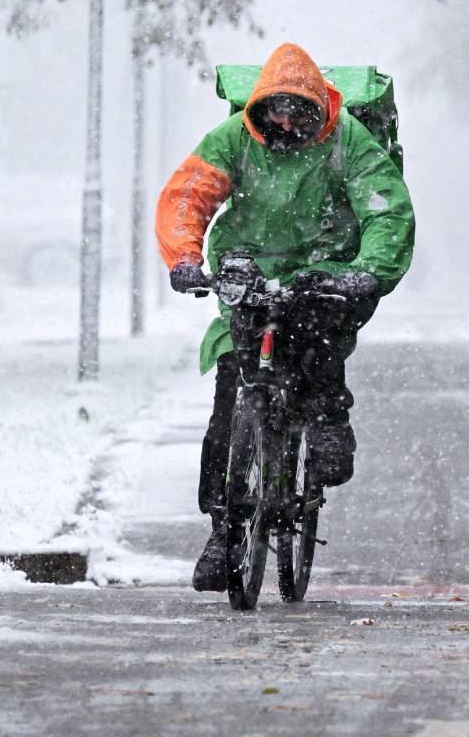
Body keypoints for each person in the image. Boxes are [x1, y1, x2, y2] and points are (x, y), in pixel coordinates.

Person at [155, 42, 415, 591]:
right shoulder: (233, 142)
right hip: (246, 272)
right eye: (274, 110)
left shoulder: (350, 141)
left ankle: (328, 421)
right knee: (230, 402)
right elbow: (189, 196)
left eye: (297, 112)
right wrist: (184, 257)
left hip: (322, 269)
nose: (284, 121)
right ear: (256, 109)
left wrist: (367, 269)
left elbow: (385, 208)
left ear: (319, 109)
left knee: (317, 346)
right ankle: (223, 533)